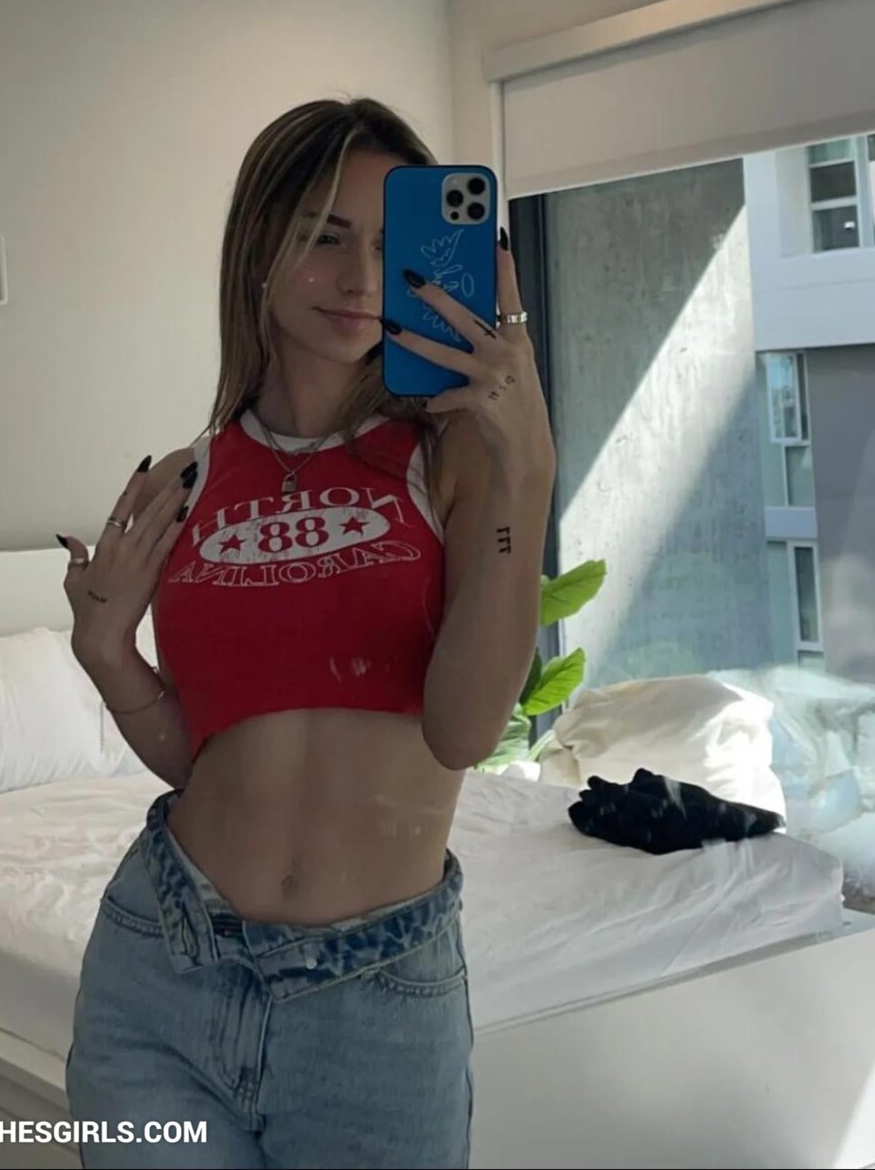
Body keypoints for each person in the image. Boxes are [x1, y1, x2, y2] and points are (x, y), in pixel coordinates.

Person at [61, 96, 556, 1170]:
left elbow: (466, 729)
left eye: (388, 243)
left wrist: (528, 467)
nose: (361, 276)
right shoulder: (188, 477)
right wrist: (107, 659)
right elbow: (205, 756)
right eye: (324, 235)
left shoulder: (455, 456)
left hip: (376, 1001)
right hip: (163, 968)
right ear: (260, 245)